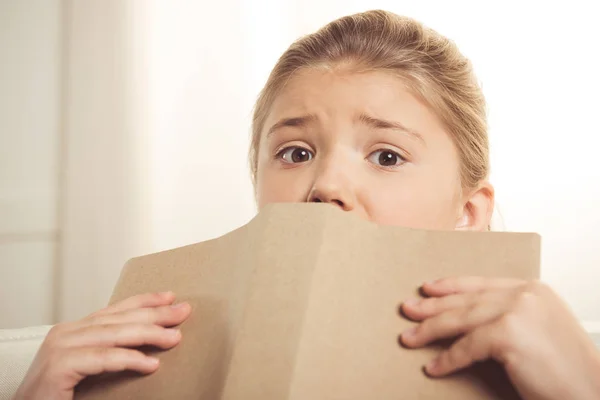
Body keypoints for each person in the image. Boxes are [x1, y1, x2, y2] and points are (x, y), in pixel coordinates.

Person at [14, 10, 600, 400]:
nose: (326, 187)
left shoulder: (550, 369)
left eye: (387, 156)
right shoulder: (136, 364)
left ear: (469, 215)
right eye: (294, 152)